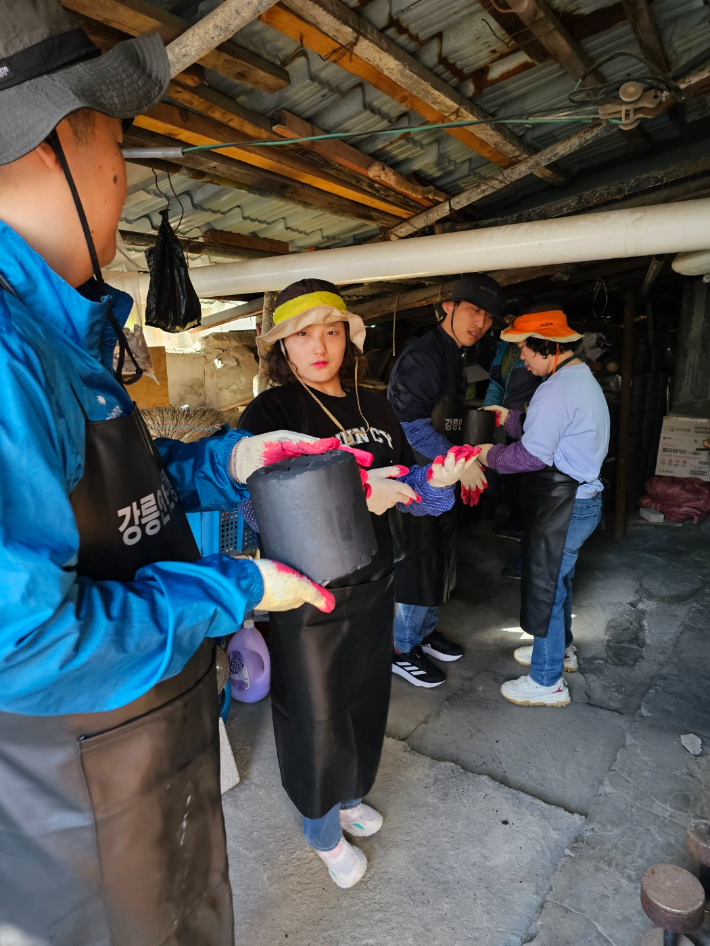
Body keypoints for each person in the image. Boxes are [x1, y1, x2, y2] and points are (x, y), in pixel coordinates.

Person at [0, 6, 344, 944]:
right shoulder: (5, 352)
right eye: (115, 135)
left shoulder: (52, 329)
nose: (120, 166)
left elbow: (113, 505)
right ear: (56, 143)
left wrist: (232, 460)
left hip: (143, 756)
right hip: (77, 804)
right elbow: (19, 641)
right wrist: (234, 587)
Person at [239, 278, 484, 888]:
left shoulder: (374, 407)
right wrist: (348, 496)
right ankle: (320, 830)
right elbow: (253, 507)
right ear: (282, 347)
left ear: (349, 336)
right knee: (315, 714)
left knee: (364, 703)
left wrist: (441, 479)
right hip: (305, 592)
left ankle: (346, 796)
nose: (319, 346)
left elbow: (413, 494)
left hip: (375, 580)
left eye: (331, 331)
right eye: (302, 335)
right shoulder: (270, 413)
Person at [477, 308, 610, 707]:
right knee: (560, 582)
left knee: (546, 588)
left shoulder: (556, 389)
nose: (523, 360)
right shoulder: (576, 379)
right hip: (580, 500)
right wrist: (512, 417)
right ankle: (559, 651)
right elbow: (550, 432)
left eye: (526, 351)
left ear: (550, 347)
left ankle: (547, 680)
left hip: (567, 503)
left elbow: (531, 457)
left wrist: (489, 455)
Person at [387, 273, 504, 687]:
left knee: (440, 558)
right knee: (418, 562)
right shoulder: (423, 357)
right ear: (448, 307)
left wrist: (468, 458)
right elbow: (408, 425)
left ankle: (424, 632)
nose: (480, 323)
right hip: (417, 478)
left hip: (443, 475)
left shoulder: (456, 355)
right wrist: (458, 462)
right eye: (473, 310)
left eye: (488, 317)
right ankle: (402, 648)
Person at [484, 334, 544, 578]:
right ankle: (518, 523)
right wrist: (489, 413)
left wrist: (488, 456)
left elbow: (540, 394)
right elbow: (496, 384)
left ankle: (530, 555)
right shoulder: (503, 350)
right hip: (513, 422)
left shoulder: (550, 372)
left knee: (529, 488)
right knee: (513, 483)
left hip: (529, 424)